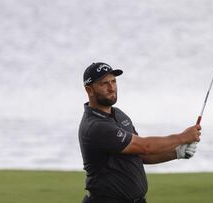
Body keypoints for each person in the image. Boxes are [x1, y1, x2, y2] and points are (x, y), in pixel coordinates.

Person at [78, 62, 201, 203]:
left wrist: (176, 153)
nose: (112, 88)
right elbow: (145, 146)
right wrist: (182, 137)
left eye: (113, 81)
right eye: (104, 84)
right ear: (89, 90)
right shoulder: (95, 126)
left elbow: (140, 154)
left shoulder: (118, 114)